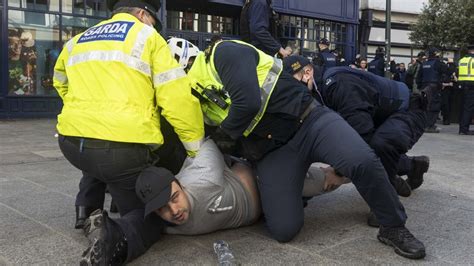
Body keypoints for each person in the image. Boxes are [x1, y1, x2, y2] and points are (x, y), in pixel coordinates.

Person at [178, 39, 426, 259]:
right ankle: (297, 190)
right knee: (284, 229)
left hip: (309, 121)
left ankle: (393, 226)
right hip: (273, 150)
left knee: (361, 159)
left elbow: (247, 103)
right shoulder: (191, 98)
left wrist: (223, 136)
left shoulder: (223, 52)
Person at [53, 0, 205, 264]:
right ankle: (112, 238)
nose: (155, 26)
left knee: (96, 153)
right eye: (154, 21)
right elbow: (177, 100)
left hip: (71, 144)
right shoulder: (149, 37)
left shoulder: (78, 39)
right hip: (119, 152)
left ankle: (86, 210)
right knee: (152, 214)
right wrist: (195, 149)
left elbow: (60, 82)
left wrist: (85, 113)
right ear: (144, 15)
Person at [284, 56, 430, 198]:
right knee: (363, 145)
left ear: (308, 73)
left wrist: (338, 172)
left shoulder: (338, 84)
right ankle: (413, 166)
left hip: (408, 111)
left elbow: (361, 133)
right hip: (383, 115)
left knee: (380, 144)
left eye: (293, 84)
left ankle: (386, 195)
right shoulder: (318, 90)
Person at [135, 139, 348, 235]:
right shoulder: (165, 224)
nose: (174, 211)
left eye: (174, 198)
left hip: (263, 179)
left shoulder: (202, 177)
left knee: (329, 181)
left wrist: (231, 159)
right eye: (162, 208)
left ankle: (360, 170)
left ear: (180, 185)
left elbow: (208, 143)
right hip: (264, 212)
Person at [417, 47, 455, 133]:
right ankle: (430, 126)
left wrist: (420, 87)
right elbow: (449, 71)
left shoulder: (424, 64)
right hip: (434, 87)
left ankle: (425, 124)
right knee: (434, 106)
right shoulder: (438, 63)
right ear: (435, 54)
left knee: (425, 105)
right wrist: (451, 63)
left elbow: (418, 77)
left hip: (424, 87)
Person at [458, 44, 474, 135]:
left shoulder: (462, 60)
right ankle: (464, 129)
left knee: (464, 106)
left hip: (462, 85)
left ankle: (462, 128)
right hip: (472, 85)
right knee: (469, 107)